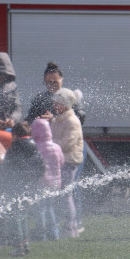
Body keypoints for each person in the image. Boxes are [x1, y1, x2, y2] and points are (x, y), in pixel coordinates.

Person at [0, 122, 45, 256]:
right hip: (31, 186)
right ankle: (25, 242)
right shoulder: (35, 147)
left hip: (16, 186)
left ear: (15, 134)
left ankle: (19, 246)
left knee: (15, 216)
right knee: (23, 215)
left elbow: (7, 168)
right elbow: (41, 167)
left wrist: (4, 182)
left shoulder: (15, 148)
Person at [50, 88, 84, 238]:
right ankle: (65, 224)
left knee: (66, 194)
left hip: (69, 160)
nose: (55, 106)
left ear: (65, 105)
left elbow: (67, 144)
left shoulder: (72, 121)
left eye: (57, 104)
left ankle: (71, 227)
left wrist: (49, 145)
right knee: (62, 193)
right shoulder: (58, 119)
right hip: (60, 159)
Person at [33, 118, 64, 241]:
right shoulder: (56, 147)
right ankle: (54, 232)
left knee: (40, 208)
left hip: (42, 181)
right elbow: (61, 162)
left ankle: (41, 234)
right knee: (50, 207)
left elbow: (35, 165)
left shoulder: (36, 147)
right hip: (55, 182)